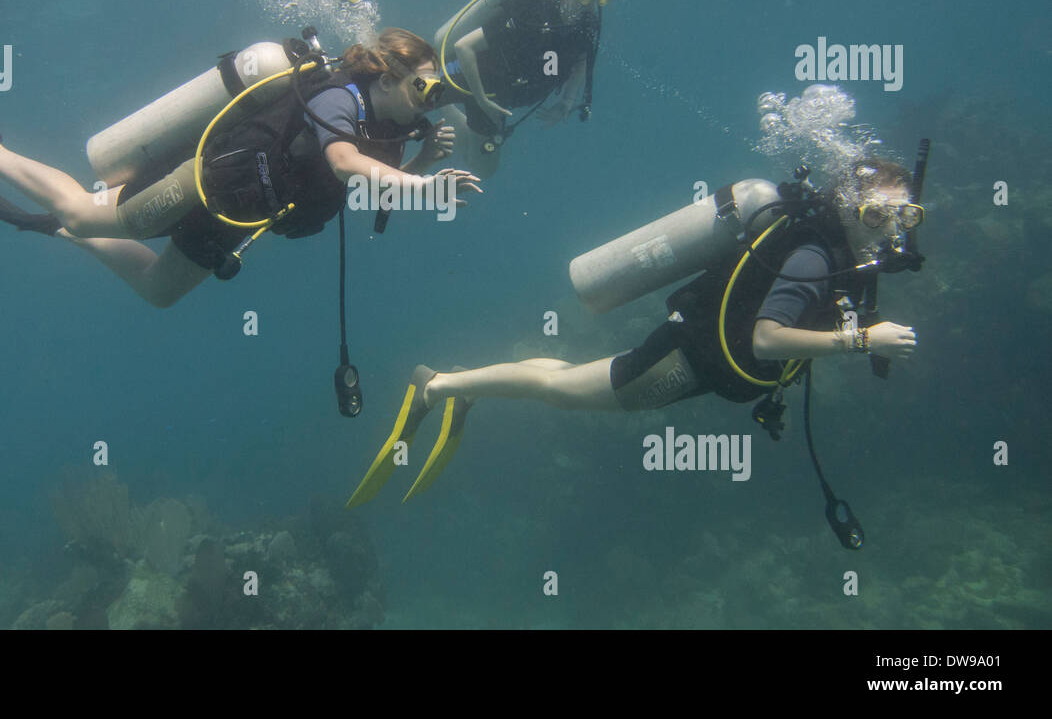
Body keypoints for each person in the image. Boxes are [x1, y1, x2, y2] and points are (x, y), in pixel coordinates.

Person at [347, 156, 924, 509]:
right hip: (686, 356)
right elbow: (767, 339)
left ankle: (459, 385)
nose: (889, 230)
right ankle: (439, 385)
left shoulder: (837, 258)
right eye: (879, 215)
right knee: (563, 389)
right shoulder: (815, 257)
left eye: (902, 218)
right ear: (849, 206)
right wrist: (862, 342)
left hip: (697, 359)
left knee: (568, 382)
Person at [0, 28, 481, 308]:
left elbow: (362, 184)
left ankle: (71, 230)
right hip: (209, 181)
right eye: (423, 89)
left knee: (157, 292)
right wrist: (422, 182)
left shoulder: (395, 129)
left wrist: (421, 161)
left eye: (436, 95)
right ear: (388, 75)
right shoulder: (343, 98)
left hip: (245, 215)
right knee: (84, 216)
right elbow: (342, 161)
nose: (430, 103)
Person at [432, 0, 611, 176]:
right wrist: (481, 99)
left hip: (499, 97)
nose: (592, 5)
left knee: (482, 170)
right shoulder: (533, 12)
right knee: (416, 90)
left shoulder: (585, 27)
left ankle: (456, 120)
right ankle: (437, 103)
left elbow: (582, 61)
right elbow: (463, 46)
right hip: (471, 77)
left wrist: (566, 102)